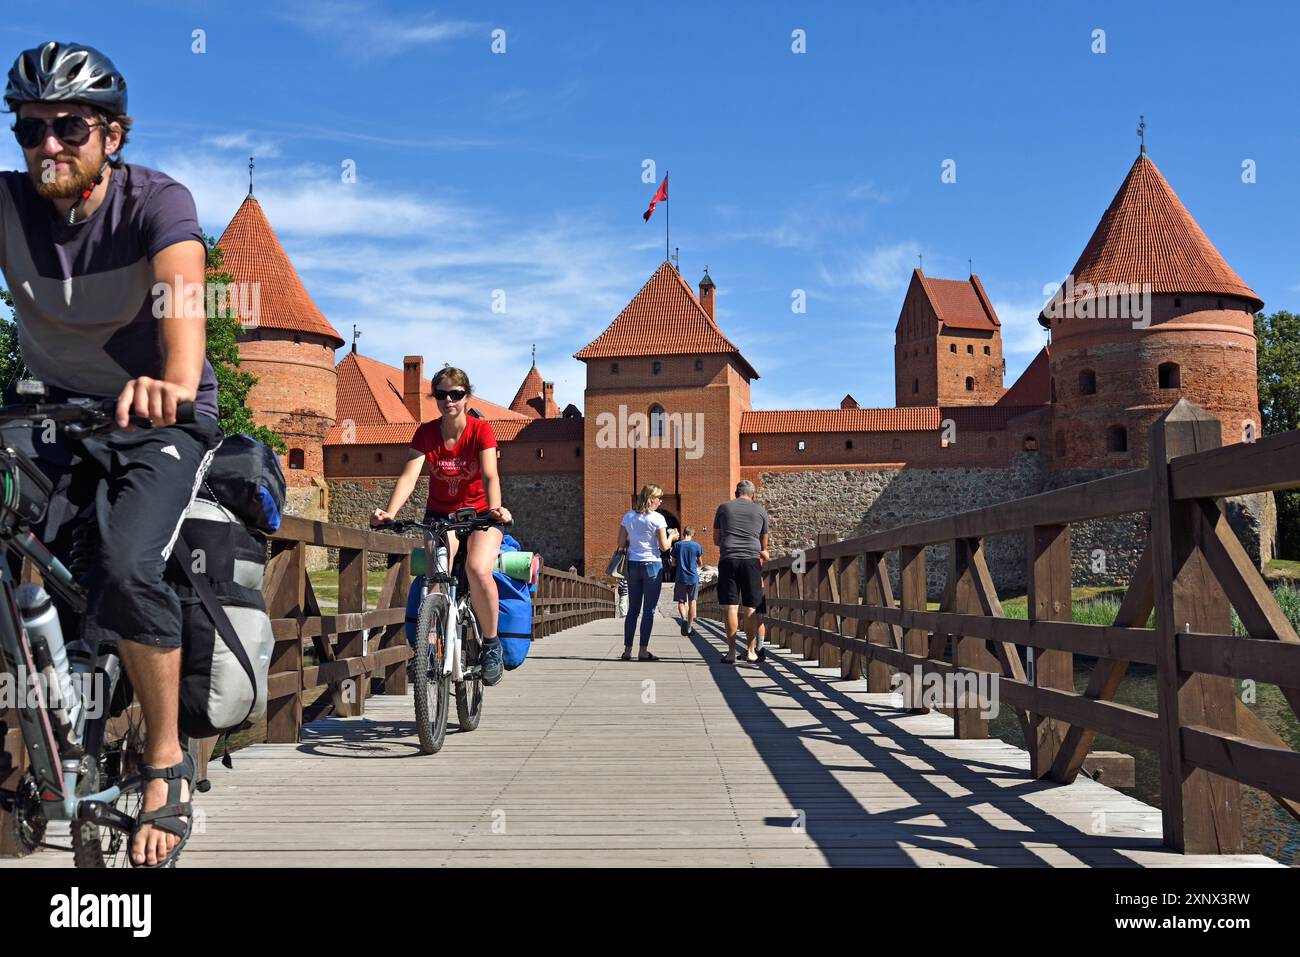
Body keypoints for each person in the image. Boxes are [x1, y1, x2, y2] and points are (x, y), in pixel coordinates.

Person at [0, 41, 225, 866]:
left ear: (113, 136)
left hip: (156, 416)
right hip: (47, 410)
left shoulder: (158, 203)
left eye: (68, 126)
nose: (47, 146)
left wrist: (169, 379)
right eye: (29, 129)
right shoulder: (9, 205)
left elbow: (184, 312)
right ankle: (38, 729)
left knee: (130, 566)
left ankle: (166, 760)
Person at [371, 367, 512, 685]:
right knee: (436, 577)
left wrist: (494, 509)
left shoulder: (481, 431)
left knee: (477, 568)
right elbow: (409, 476)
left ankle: (491, 645)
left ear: (467, 396)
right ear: (434, 397)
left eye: (456, 394)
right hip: (440, 516)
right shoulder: (426, 433)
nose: (449, 400)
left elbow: (490, 474)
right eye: (442, 394)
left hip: (479, 516)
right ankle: (428, 653)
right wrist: (389, 513)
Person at [616, 484, 677, 660]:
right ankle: (643, 650)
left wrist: (635, 541)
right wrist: (672, 537)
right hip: (652, 565)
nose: (661, 501)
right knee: (649, 610)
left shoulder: (628, 516)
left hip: (633, 565)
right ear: (651, 499)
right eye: (659, 498)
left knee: (633, 609)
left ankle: (627, 650)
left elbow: (620, 542)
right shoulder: (658, 519)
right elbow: (664, 546)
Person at [713, 480, 769, 664]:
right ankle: (751, 651)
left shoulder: (723, 508)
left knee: (731, 606)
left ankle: (730, 653)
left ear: (736, 493)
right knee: (751, 606)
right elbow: (764, 545)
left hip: (728, 559)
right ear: (752, 494)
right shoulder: (760, 510)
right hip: (751, 560)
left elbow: (716, 539)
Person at [670, 526, 703, 636]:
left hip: (680, 577)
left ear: (683, 534)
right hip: (693, 577)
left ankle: (683, 618)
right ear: (692, 535)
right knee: (693, 601)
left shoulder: (677, 545)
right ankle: (689, 626)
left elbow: (673, 562)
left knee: (681, 601)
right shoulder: (697, 546)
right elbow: (700, 563)